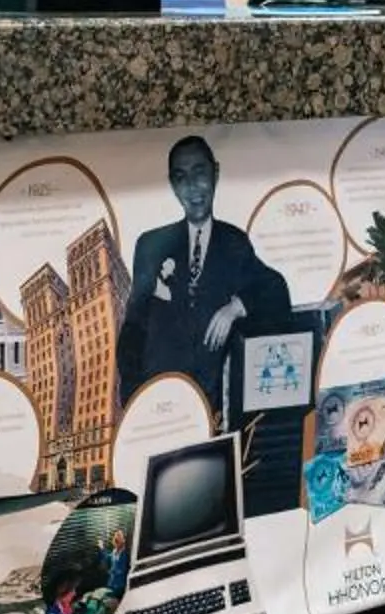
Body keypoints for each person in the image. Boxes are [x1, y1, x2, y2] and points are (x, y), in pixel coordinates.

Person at [117, 135, 291, 422]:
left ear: (216, 173)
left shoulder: (234, 242)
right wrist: (136, 398)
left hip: (212, 410)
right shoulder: (150, 245)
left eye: (200, 173)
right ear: (173, 185)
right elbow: (133, 329)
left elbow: (275, 289)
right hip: (160, 406)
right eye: (181, 177)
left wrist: (235, 307)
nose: (193, 188)